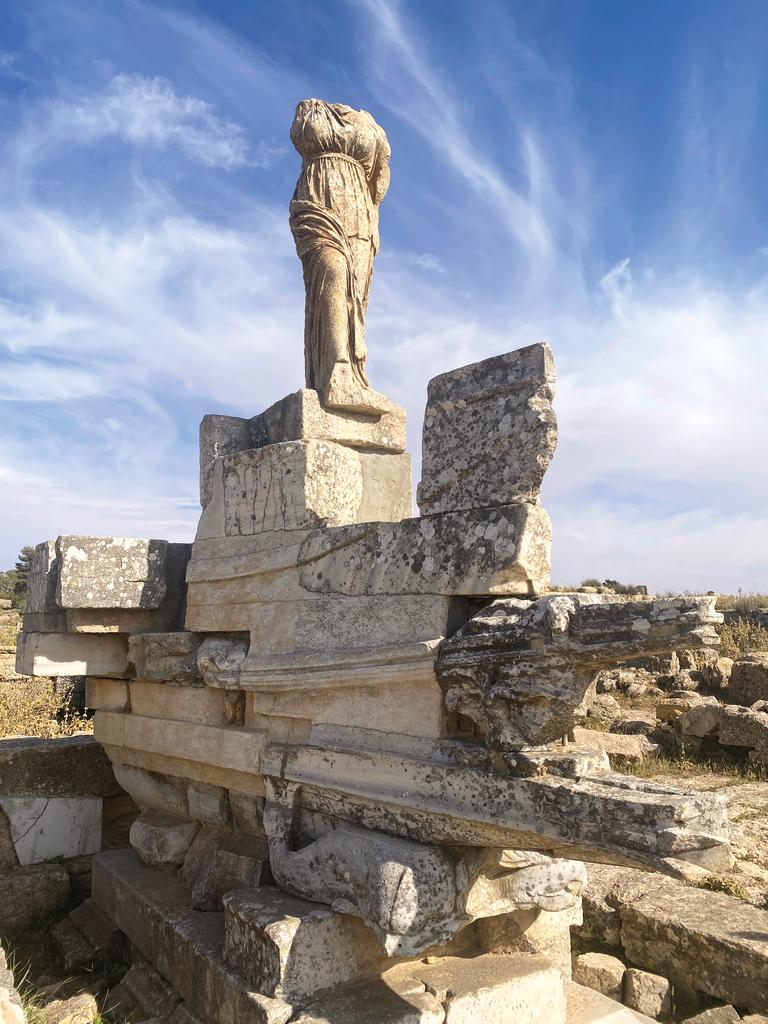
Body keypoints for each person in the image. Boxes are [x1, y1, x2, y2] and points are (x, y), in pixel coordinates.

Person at [289, 98, 391, 414]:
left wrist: (370, 218)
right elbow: (300, 134)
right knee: (332, 274)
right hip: (318, 201)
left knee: (355, 298)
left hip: (359, 212)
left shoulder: (372, 126)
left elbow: (379, 181)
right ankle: (337, 373)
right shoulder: (309, 109)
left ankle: (354, 377)